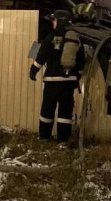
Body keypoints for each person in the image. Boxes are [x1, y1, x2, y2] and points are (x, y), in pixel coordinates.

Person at [30, 10, 84, 142]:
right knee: (65, 112)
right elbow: (81, 59)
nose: (53, 23)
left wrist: (33, 70)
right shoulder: (74, 38)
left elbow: (42, 55)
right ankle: (63, 140)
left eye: (54, 21)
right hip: (69, 81)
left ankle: (44, 137)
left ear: (59, 21)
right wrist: (77, 76)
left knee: (47, 109)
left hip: (52, 80)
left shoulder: (52, 36)